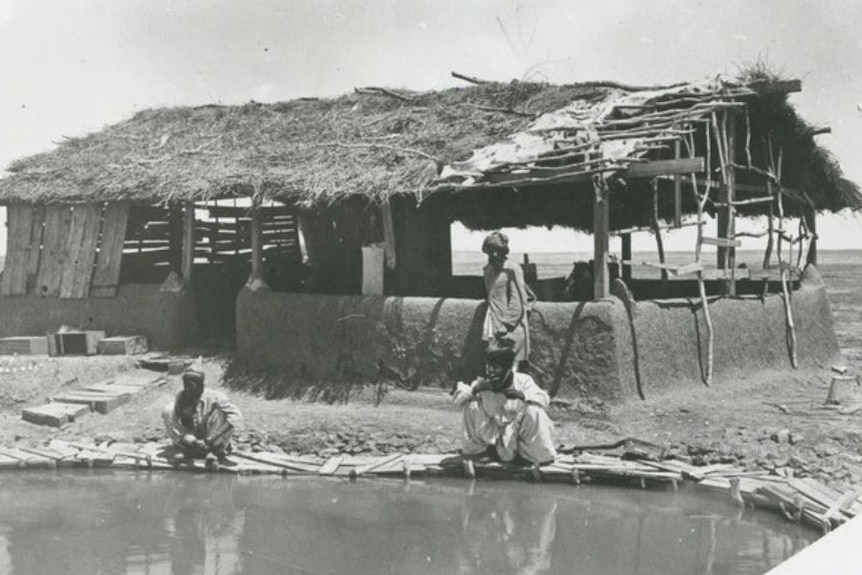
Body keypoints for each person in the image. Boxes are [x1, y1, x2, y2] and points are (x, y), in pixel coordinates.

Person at [452, 343, 556, 467]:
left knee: (534, 410)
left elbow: (544, 400)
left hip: (515, 436)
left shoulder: (523, 381)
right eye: (488, 367)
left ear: (508, 368)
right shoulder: (481, 384)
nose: (491, 371)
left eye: (496, 367)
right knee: (470, 404)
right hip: (492, 438)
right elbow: (457, 403)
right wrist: (475, 390)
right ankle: (479, 452)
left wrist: (521, 395)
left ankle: (532, 456)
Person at [162, 368, 243, 465]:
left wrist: (211, 438)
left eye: (191, 386)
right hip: (192, 438)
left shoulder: (216, 397)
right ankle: (188, 450)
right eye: (185, 385)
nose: (187, 389)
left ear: (201, 386)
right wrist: (186, 437)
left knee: (223, 413)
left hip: (212, 437)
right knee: (168, 409)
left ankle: (215, 451)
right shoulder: (181, 396)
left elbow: (237, 417)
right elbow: (175, 423)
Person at [481, 231, 532, 369]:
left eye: (496, 252)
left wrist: (506, 324)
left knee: (509, 367)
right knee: (494, 364)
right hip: (493, 323)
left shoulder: (512, 269)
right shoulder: (488, 270)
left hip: (510, 327)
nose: (493, 256)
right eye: (490, 252)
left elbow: (519, 301)